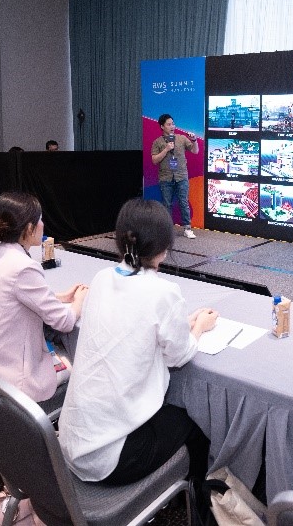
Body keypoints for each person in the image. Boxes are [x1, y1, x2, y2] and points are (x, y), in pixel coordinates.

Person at [59, 199, 217, 494]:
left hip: (71, 440)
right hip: (111, 457)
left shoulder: (102, 278)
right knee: (195, 420)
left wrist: (182, 321)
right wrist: (198, 327)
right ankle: (196, 503)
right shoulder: (163, 292)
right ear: (164, 246)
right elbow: (179, 355)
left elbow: (135, 326)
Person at [0, 192, 88, 408]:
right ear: (28, 228)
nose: (43, 224)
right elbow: (64, 321)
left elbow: (9, 297)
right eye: (40, 220)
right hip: (5, 380)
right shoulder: (23, 266)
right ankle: (52, 433)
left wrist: (59, 297)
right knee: (82, 364)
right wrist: (79, 301)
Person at [150, 114, 199, 238]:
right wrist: (166, 149)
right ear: (162, 126)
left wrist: (194, 140)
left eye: (173, 123)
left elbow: (195, 151)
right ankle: (168, 229)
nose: (172, 126)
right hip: (165, 177)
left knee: (183, 202)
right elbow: (154, 160)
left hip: (181, 176)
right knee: (167, 204)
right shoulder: (157, 142)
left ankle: (187, 228)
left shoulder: (182, 138)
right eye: (169, 124)